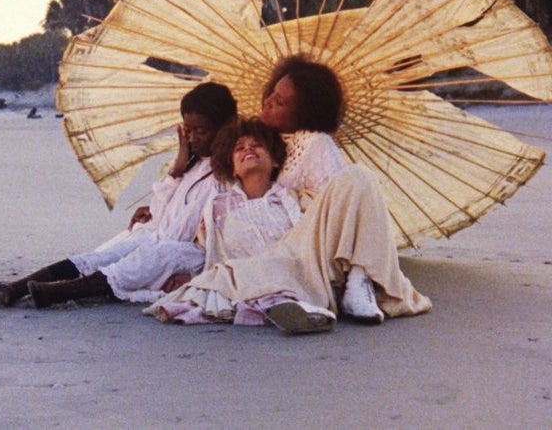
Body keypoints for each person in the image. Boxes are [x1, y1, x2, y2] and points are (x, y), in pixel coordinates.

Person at [146, 55, 431, 334]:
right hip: (275, 241)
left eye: (280, 102)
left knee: (360, 176)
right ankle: (293, 302)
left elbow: (336, 209)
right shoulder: (268, 142)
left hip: (310, 237)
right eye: (271, 93)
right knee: (246, 269)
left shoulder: (314, 143)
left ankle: (358, 279)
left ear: (304, 114)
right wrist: (161, 203)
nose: (268, 101)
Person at [0, 82, 238, 307]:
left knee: (141, 261)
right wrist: (176, 172)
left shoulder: (231, 173)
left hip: (191, 256)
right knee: (107, 255)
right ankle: (18, 287)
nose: (192, 139)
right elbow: (162, 215)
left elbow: (214, 233)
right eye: (187, 131)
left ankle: (56, 292)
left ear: (226, 127)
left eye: (200, 131)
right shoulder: (192, 165)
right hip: (160, 239)